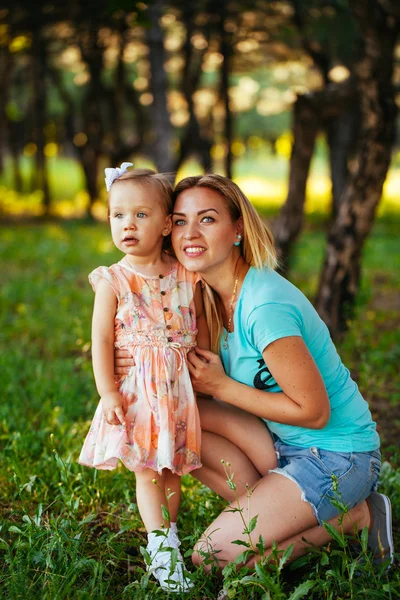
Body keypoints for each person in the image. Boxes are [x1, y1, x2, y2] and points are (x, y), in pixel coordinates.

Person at [164, 173, 392, 571]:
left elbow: (314, 412)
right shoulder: (209, 298)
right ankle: (280, 508)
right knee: (175, 420)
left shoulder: (264, 305)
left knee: (212, 557)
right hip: (282, 445)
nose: (190, 232)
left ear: (238, 230)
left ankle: (360, 517)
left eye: (207, 219)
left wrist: (223, 386)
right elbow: (194, 397)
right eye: (180, 221)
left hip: (338, 455)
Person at [79, 164, 209, 592]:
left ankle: (167, 533)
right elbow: (100, 340)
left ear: (167, 223)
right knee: (147, 471)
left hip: (179, 392)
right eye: (118, 215)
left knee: (171, 468)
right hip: (137, 392)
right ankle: (161, 548)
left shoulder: (187, 275)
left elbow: (202, 332)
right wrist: (107, 391)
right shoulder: (113, 280)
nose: (127, 225)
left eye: (139, 214)